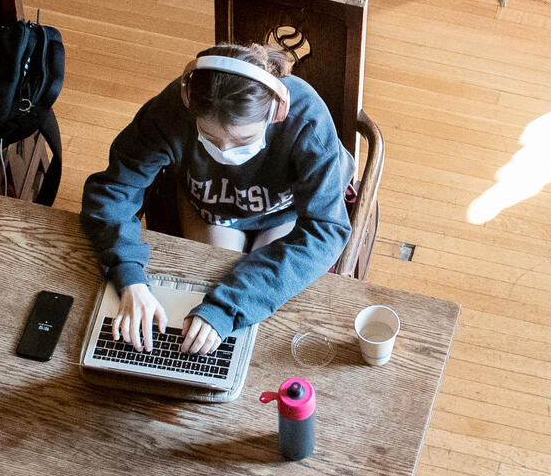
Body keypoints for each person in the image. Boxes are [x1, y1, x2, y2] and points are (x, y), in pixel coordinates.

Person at [81, 43, 352, 355]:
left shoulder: (306, 119)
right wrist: (129, 277)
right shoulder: (173, 109)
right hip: (211, 209)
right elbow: (113, 189)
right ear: (189, 103)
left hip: (286, 212)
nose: (225, 150)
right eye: (209, 137)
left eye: (244, 140)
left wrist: (227, 308)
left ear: (276, 112)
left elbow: (326, 229)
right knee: (208, 287)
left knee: (256, 312)